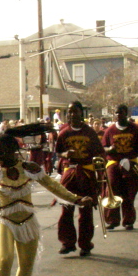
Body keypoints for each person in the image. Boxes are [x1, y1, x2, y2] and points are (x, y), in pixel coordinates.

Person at [0, 133, 91, 276]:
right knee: (4, 259)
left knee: (26, 263)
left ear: (13, 151)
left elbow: (52, 185)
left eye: (0, 154)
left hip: (28, 221)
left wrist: (76, 199)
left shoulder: (29, 168)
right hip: (4, 220)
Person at [55, 101, 105, 256]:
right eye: (69, 112)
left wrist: (99, 173)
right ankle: (68, 243)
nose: (71, 114)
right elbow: (58, 152)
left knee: (86, 212)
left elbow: (100, 153)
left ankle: (85, 244)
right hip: (70, 174)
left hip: (86, 174)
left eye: (75, 111)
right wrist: (65, 154)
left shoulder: (89, 132)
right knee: (66, 209)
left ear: (81, 113)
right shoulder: (64, 133)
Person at [101, 104, 138, 230]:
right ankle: (112, 220)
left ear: (126, 113)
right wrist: (110, 149)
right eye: (116, 113)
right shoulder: (110, 130)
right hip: (114, 162)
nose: (118, 115)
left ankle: (128, 220)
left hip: (131, 162)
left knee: (129, 192)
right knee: (112, 189)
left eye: (120, 113)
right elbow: (103, 147)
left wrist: (132, 156)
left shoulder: (135, 129)